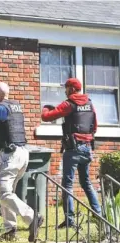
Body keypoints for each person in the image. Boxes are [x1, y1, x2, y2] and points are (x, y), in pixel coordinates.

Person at [0, 82, 43, 242]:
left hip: (9, 156)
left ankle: (32, 217)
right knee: (8, 193)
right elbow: (0, 109)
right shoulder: (14, 106)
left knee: (3, 194)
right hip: (22, 154)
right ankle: (10, 229)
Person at [41, 78, 101, 229]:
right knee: (86, 182)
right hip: (87, 147)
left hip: (73, 149)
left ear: (72, 89)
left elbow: (46, 117)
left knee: (67, 184)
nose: (65, 90)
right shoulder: (90, 103)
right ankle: (99, 215)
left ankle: (70, 221)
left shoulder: (69, 103)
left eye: (66, 88)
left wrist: (46, 108)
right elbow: (94, 126)